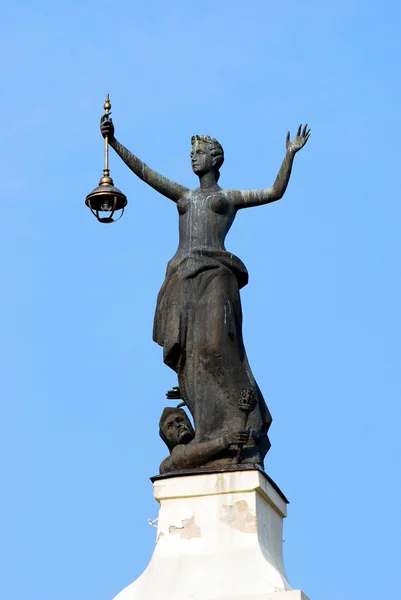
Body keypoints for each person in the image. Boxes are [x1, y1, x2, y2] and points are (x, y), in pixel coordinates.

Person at [101, 117, 310, 469]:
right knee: (192, 354)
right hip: (182, 277)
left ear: (216, 158)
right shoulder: (184, 195)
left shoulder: (228, 198)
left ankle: (248, 413)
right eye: (191, 153)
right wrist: (115, 142)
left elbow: (274, 192)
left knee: (215, 344)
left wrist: (289, 155)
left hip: (216, 273)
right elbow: (146, 173)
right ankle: (210, 419)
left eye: (199, 152)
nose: (193, 158)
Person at [159, 407, 251, 474]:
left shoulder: (205, 442)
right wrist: (226, 440)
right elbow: (189, 453)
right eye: (170, 426)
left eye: (180, 420)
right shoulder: (173, 457)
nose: (178, 425)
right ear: (167, 438)